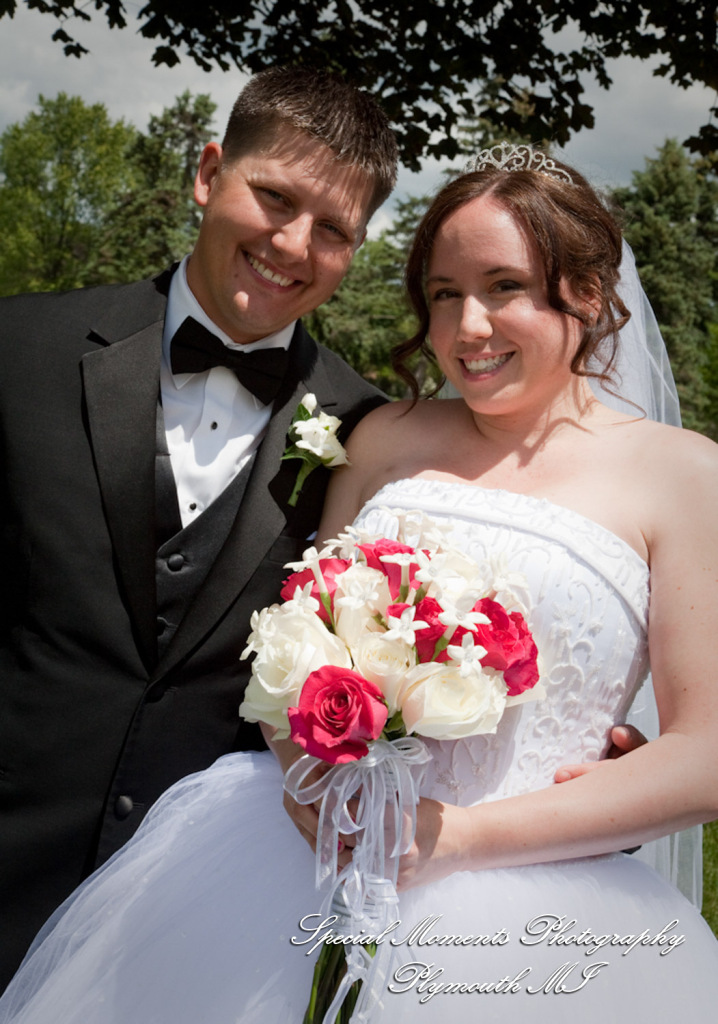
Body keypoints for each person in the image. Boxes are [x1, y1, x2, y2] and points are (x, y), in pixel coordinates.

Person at [3, 144, 718, 1023]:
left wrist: (458, 839)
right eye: (444, 293)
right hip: (276, 855)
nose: (467, 328)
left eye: (504, 287)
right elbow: (291, 644)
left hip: (531, 911)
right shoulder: (381, 437)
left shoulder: (685, 476)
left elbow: (706, 751)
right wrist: (307, 773)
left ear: (591, 293)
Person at [0, 65, 398, 991]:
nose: (293, 244)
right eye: (275, 198)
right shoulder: (18, 352)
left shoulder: (368, 433)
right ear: (210, 173)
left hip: (187, 929)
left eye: (333, 230)